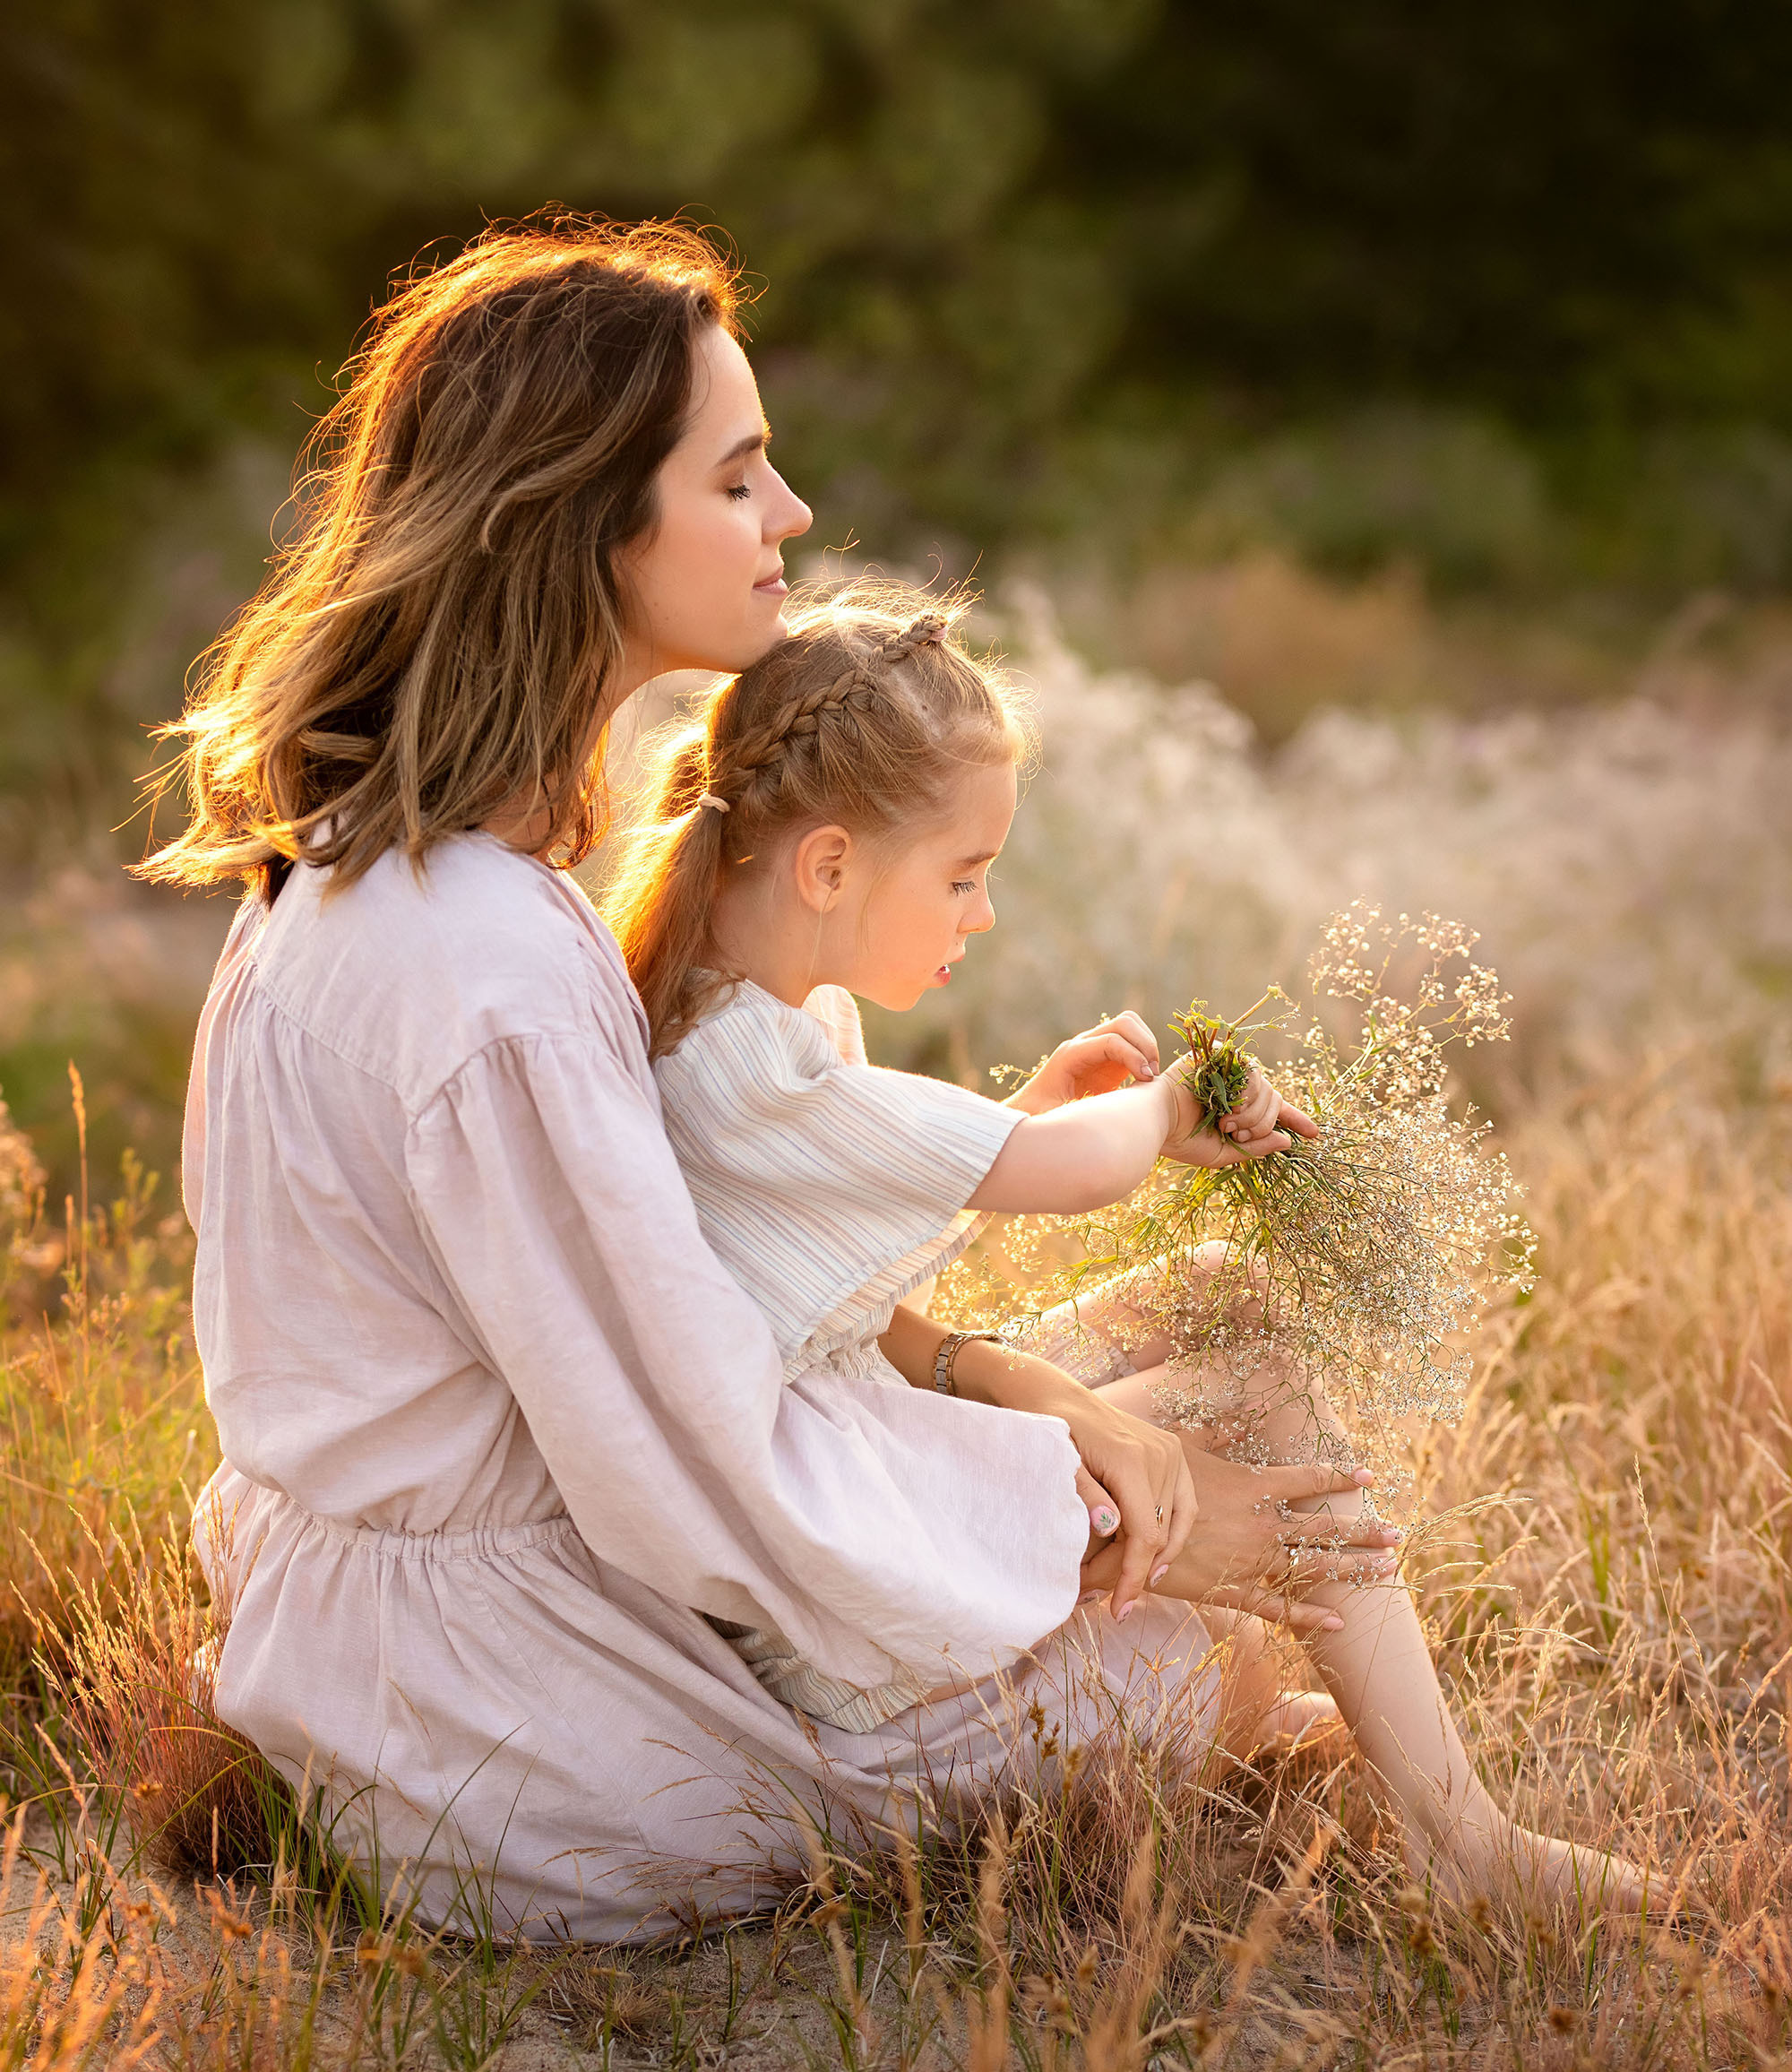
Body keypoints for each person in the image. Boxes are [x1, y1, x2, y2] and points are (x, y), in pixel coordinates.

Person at [142, 215, 1511, 1942]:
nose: (789, 516)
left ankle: (1286, 1726)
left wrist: (1039, 1394)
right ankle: (1423, 1828)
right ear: (582, 529)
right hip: (520, 1736)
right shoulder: (486, 971)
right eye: (737, 477)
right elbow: (708, 1468)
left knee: (1196, 1356)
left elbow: (704, 1289)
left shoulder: (383, 874)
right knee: (1204, 1649)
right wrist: (1091, 1528)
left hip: (466, 1627)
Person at [607, 581, 1648, 1912]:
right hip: (844, 1577)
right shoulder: (741, 1062)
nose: (981, 915)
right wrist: (1154, 1113)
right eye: (965, 877)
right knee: (1253, 1388)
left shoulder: (750, 1005)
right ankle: (1458, 1837)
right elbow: (1066, 1178)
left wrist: (1034, 1114)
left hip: (862, 1458)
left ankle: (1387, 1750)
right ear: (828, 866)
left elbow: (832, 1270)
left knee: (1219, 1292)